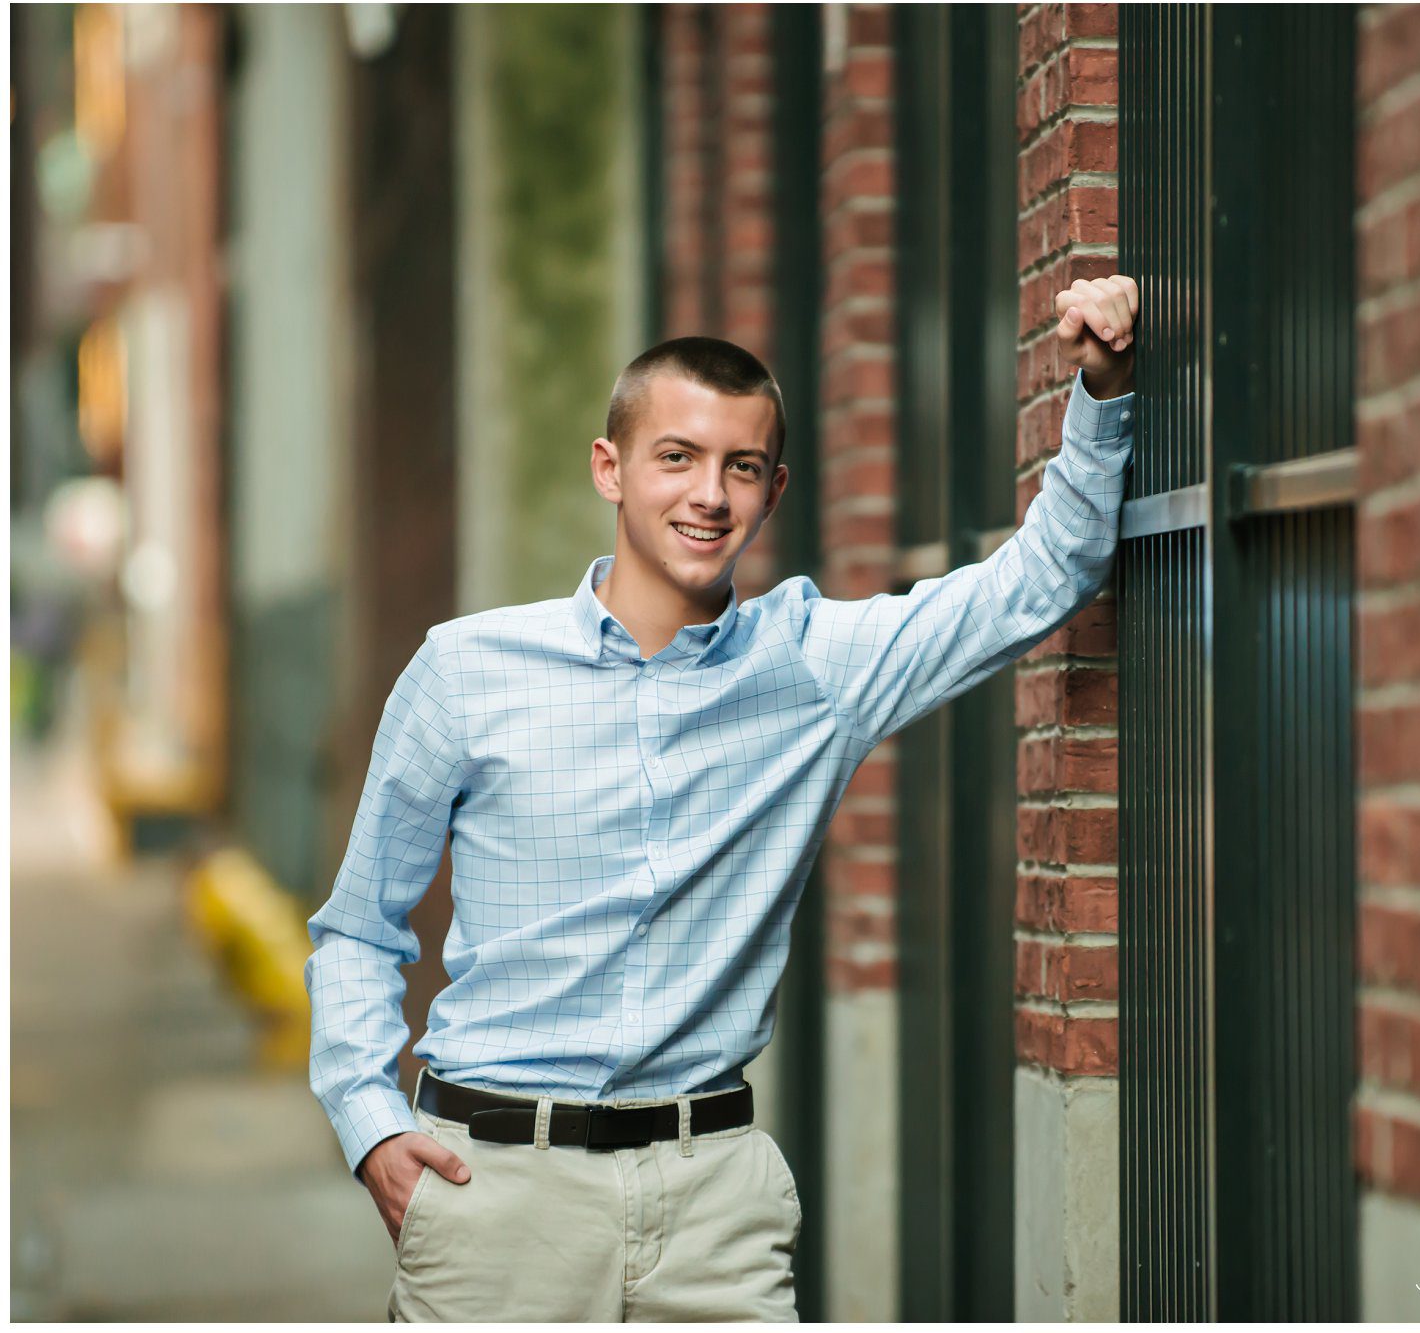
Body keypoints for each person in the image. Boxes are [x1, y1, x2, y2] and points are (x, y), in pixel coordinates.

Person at [306, 282, 1139, 1322]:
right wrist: (369, 1121)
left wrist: (1101, 388)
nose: (709, 494)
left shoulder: (813, 667)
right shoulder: (466, 670)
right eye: (677, 456)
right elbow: (355, 929)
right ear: (609, 467)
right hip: (496, 1195)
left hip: (711, 1207)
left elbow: (1037, 579)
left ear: (772, 488)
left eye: (739, 467)